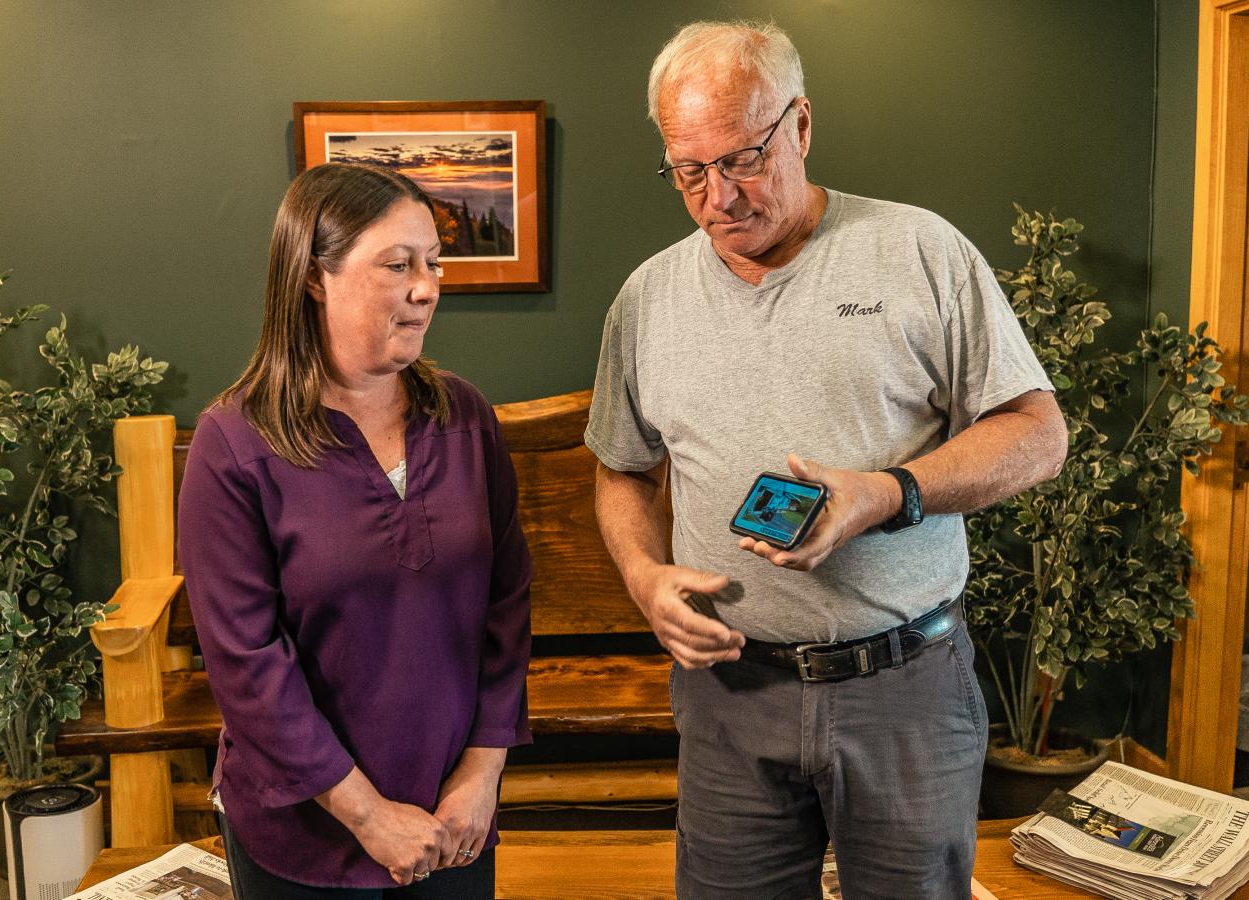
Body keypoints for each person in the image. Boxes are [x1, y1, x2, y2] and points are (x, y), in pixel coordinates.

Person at [587, 20, 1069, 899]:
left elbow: (1039, 433)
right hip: (728, 694)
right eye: (687, 172)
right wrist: (642, 575)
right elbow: (621, 469)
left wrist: (887, 495)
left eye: (739, 160)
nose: (716, 200)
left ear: (799, 125)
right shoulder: (648, 297)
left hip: (905, 690)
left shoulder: (921, 251)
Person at [177, 162, 532, 898]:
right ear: (315, 277)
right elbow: (247, 663)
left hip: (454, 820)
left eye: (433, 262)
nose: (427, 286)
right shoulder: (235, 443)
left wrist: (481, 772)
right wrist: (368, 816)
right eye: (398, 265)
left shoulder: (465, 416)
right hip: (305, 833)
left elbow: (508, 602)